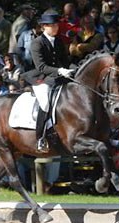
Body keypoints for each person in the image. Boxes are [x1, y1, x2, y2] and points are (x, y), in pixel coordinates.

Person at [23, 11, 73, 153]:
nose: (56, 27)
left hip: (59, 76)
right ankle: (40, 137)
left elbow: (65, 61)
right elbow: (42, 67)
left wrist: (72, 70)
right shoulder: (36, 43)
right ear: (44, 26)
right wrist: (59, 71)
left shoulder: (58, 41)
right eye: (52, 25)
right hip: (41, 78)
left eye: (56, 25)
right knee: (45, 102)